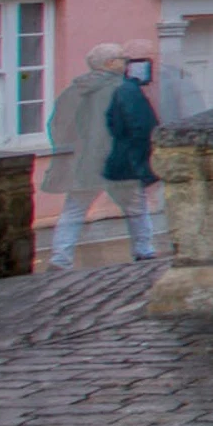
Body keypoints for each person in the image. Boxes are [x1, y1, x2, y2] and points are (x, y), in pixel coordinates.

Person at [44, 43, 167, 268]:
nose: (126, 63)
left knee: (74, 211)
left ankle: (60, 259)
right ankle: (144, 251)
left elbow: (57, 126)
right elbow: (143, 127)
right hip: (119, 163)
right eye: (123, 59)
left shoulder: (76, 89)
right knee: (136, 210)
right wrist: (140, 161)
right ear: (110, 63)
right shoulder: (125, 89)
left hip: (85, 164)